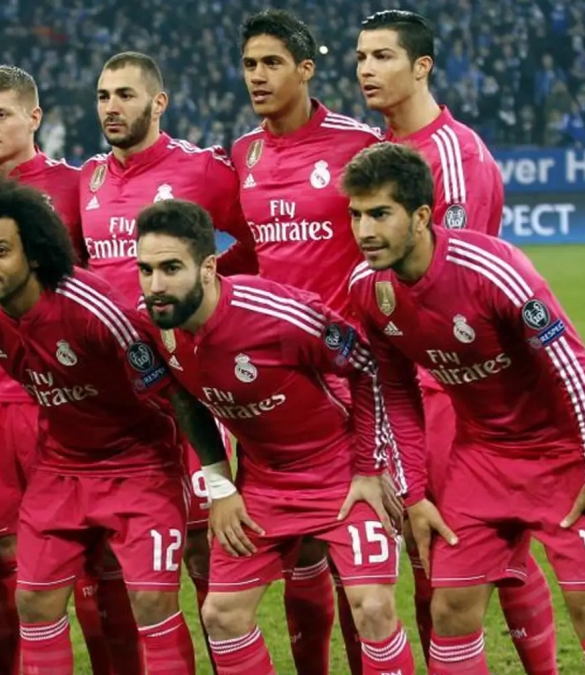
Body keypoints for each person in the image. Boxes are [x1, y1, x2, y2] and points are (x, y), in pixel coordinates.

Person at [344, 142, 585, 675]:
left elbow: (573, 367)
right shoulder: (369, 289)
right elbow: (396, 390)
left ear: (420, 216)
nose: (365, 230)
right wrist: (414, 494)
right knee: (450, 610)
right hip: (480, 458)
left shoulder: (493, 271)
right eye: (356, 215)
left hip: (564, 456)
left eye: (380, 214)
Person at [0, 179, 228, 674]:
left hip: (138, 466)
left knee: (152, 604)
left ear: (34, 253)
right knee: (32, 602)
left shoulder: (94, 311)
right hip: (61, 468)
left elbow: (176, 394)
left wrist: (216, 480)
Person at [134, 198, 416, 675]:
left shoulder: (279, 314)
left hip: (341, 469)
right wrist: (221, 485)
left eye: (170, 268)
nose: (155, 286)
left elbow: (369, 365)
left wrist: (370, 468)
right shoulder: (151, 323)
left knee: (372, 607)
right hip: (264, 480)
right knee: (221, 615)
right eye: (145, 269)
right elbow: (183, 397)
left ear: (207, 267)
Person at [355, 12, 554, 671]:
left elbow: (465, 284)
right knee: (425, 551)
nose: (364, 68)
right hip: (401, 378)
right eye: (360, 56)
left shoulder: (455, 157)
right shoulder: (378, 155)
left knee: (491, 555)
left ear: (421, 67)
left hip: (453, 386)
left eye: (382, 55)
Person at [81, 50, 255, 665]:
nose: (111, 107)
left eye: (125, 95)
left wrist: (200, 316)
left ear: (158, 103)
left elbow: (247, 253)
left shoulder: (203, 172)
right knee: (114, 557)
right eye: (103, 96)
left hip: (186, 394)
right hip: (114, 402)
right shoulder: (89, 179)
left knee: (207, 548)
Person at [231, 10, 383, 673]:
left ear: (306, 69)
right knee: (295, 549)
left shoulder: (358, 145)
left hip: (347, 377)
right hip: (267, 385)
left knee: (357, 558)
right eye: (249, 64)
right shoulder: (244, 153)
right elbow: (237, 252)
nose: (257, 76)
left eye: (270, 63)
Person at [0, 65, 110, 674]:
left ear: (34, 117)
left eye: (1, 114)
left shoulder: (73, 186)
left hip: (57, 397)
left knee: (89, 551)